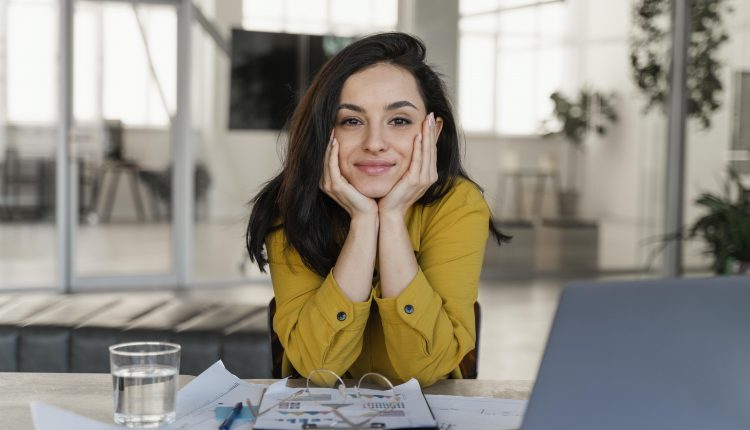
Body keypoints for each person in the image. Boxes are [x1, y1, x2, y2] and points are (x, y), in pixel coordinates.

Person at [246, 32, 509, 387]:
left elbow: (425, 371)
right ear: (325, 132)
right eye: (351, 121)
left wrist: (393, 219)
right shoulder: (293, 203)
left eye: (399, 120)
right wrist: (364, 223)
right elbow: (317, 368)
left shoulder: (458, 204)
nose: (374, 143)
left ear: (432, 131)